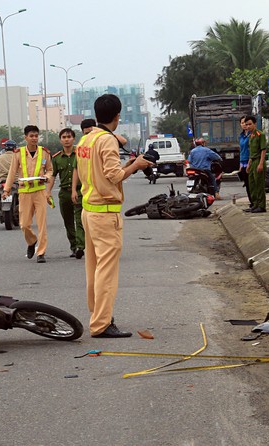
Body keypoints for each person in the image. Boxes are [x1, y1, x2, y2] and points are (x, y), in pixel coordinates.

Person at [76, 93, 151, 338]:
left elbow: (97, 170)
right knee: (106, 273)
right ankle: (101, 324)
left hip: (89, 211)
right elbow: (114, 175)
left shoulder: (86, 140)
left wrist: (127, 163)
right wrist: (135, 166)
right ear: (118, 116)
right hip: (105, 213)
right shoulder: (107, 140)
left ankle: (98, 315)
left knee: (94, 270)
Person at [2, 125, 53, 263]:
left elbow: (50, 170)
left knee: (42, 224)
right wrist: (6, 190)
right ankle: (31, 241)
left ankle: (41, 252)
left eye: (36, 136)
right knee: (24, 224)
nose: (34, 138)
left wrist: (47, 177)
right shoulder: (18, 153)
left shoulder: (44, 153)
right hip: (24, 192)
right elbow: (12, 172)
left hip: (40, 191)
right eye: (31, 136)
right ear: (26, 138)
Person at [48, 128, 85, 259]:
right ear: (60, 140)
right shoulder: (56, 158)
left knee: (79, 219)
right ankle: (74, 246)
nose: (66, 139)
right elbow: (52, 176)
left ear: (74, 139)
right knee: (68, 221)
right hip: (64, 193)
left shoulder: (80, 154)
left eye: (69, 137)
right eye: (63, 137)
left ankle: (81, 246)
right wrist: (48, 192)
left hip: (80, 192)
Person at [244, 116, 268, 213]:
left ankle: (261, 206)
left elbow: (263, 150)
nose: (248, 126)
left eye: (250, 124)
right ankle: (255, 204)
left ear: (255, 124)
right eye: (247, 125)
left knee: (259, 184)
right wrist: (249, 164)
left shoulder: (260, 134)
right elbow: (251, 152)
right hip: (252, 161)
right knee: (252, 184)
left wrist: (261, 163)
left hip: (258, 160)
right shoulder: (251, 136)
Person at [238, 116, 253, 209]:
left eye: (246, 123)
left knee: (252, 184)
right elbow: (241, 150)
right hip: (243, 162)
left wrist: (249, 163)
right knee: (247, 184)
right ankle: (251, 203)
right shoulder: (241, 136)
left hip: (250, 162)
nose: (244, 125)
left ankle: (255, 203)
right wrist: (240, 164)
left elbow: (252, 150)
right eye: (242, 123)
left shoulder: (252, 135)